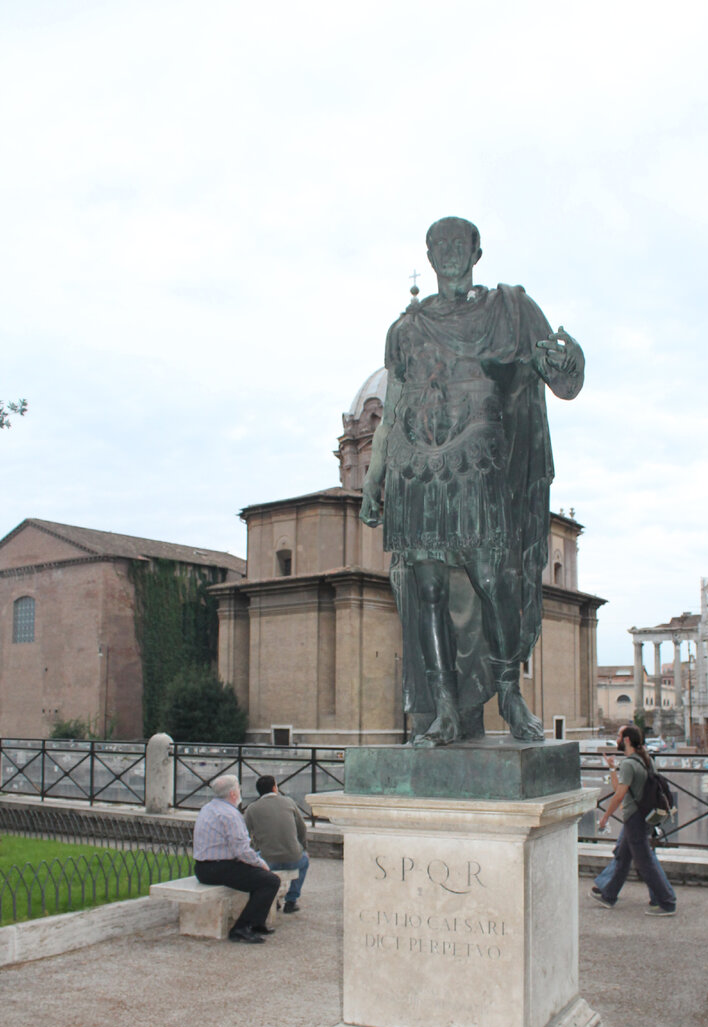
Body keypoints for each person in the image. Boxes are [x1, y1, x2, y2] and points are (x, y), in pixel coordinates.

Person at [360, 216, 584, 746]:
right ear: (431, 255)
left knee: (493, 581)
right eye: (440, 246)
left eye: (459, 244)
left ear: (476, 252)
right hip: (415, 468)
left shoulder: (508, 312)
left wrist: (568, 363)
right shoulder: (405, 329)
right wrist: (374, 478)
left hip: (476, 461)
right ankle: (443, 708)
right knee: (429, 592)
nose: (450, 254)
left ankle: (509, 692)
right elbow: (391, 411)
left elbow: (563, 380)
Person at [592, 726, 677, 916]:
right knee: (623, 856)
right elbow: (622, 788)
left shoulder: (630, 764)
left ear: (627, 740)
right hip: (646, 815)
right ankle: (609, 894)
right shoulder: (646, 760)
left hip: (634, 819)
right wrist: (613, 767)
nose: (617, 739)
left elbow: (619, 795)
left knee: (645, 861)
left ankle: (666, 901)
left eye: (619, 736)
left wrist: (605, 817)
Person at [193, 774, 280, 943]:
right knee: (270, 881)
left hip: (203, 867)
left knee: (259, 878)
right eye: (239, 788)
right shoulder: (230, 815)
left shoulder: (208, 808)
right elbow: (242, 850)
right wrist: (261, 863)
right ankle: (241, 928)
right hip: (219, 868)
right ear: (233, 794)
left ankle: (256, 923)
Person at [244, 775, 309, 913]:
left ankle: (272, 898)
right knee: (305, 860)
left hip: (267, 860)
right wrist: (302, 847)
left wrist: (253, 850)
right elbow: (302, 828)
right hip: (293, 857)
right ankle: (291, 900)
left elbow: (244, 835)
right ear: (274, 788)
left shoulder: (251, 809)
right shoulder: (289, 802)